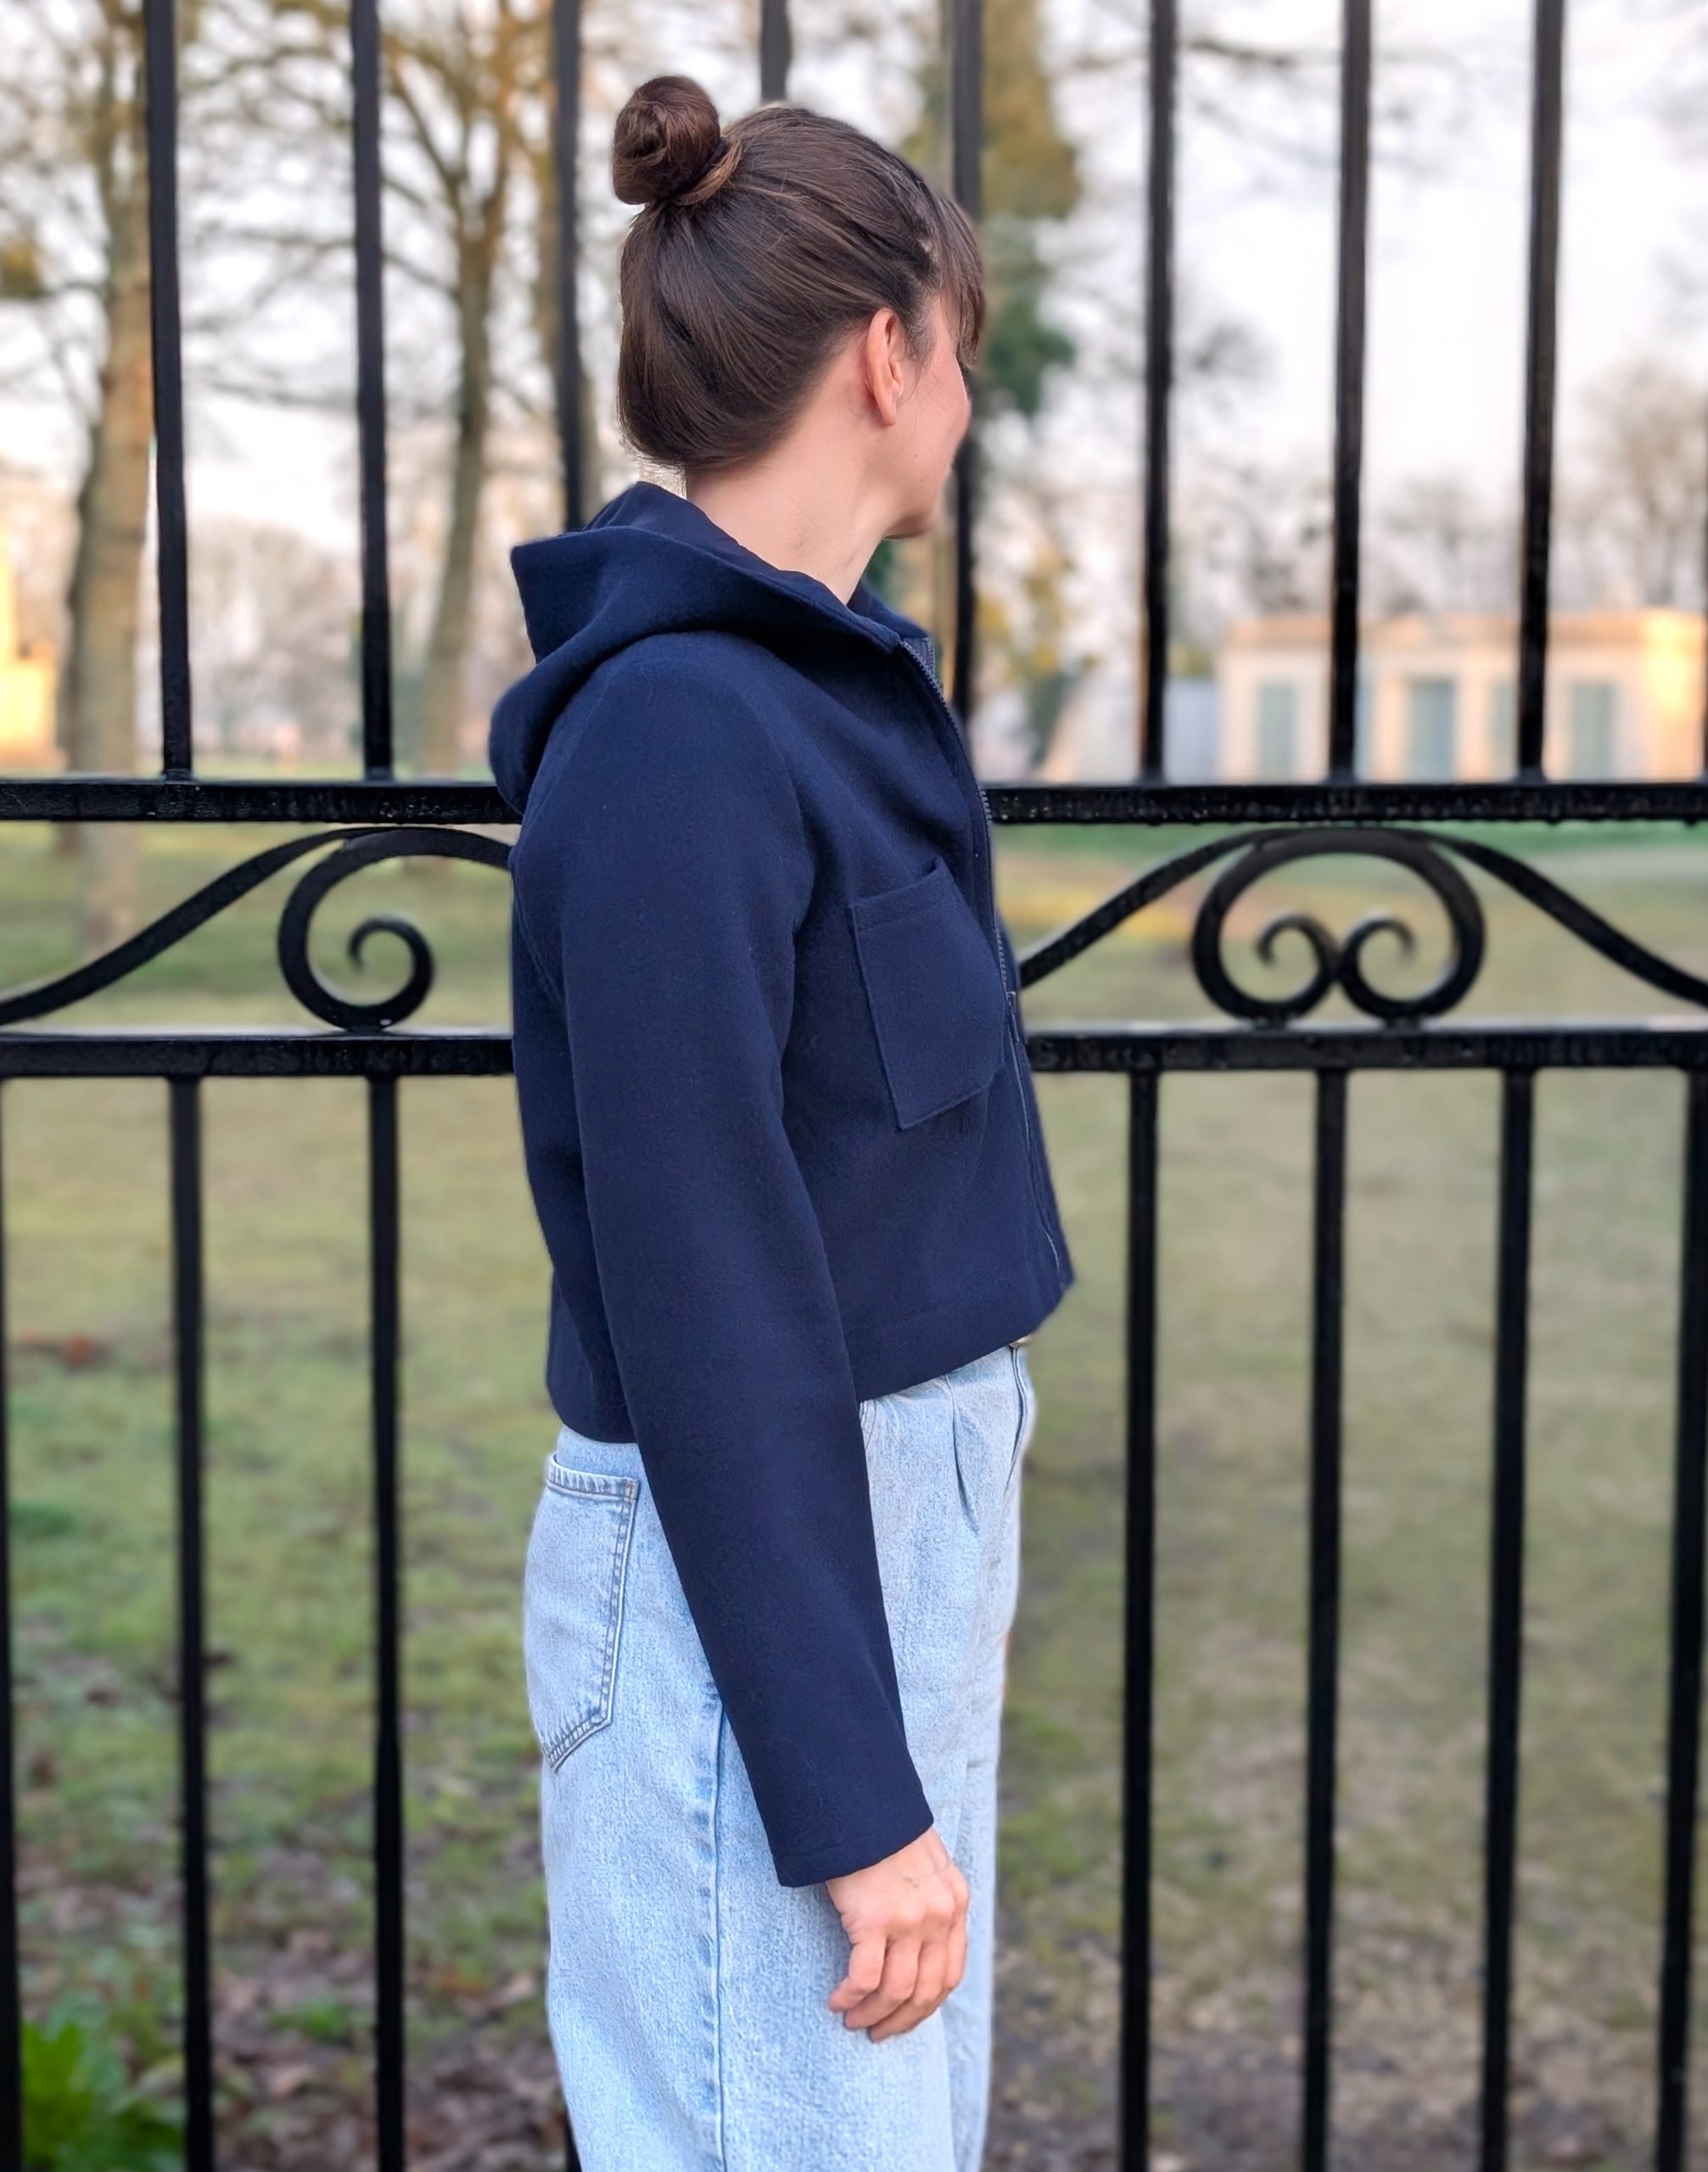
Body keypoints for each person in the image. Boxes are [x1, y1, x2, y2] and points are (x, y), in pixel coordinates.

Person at [489, 71, 1075, 2172]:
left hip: (879, 1533)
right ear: (885, 353)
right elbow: (707, 1285)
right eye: (963, 348)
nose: (969, 399)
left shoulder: (808, 690)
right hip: (757, 1565)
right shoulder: (677, 731)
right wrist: (847, 1791)